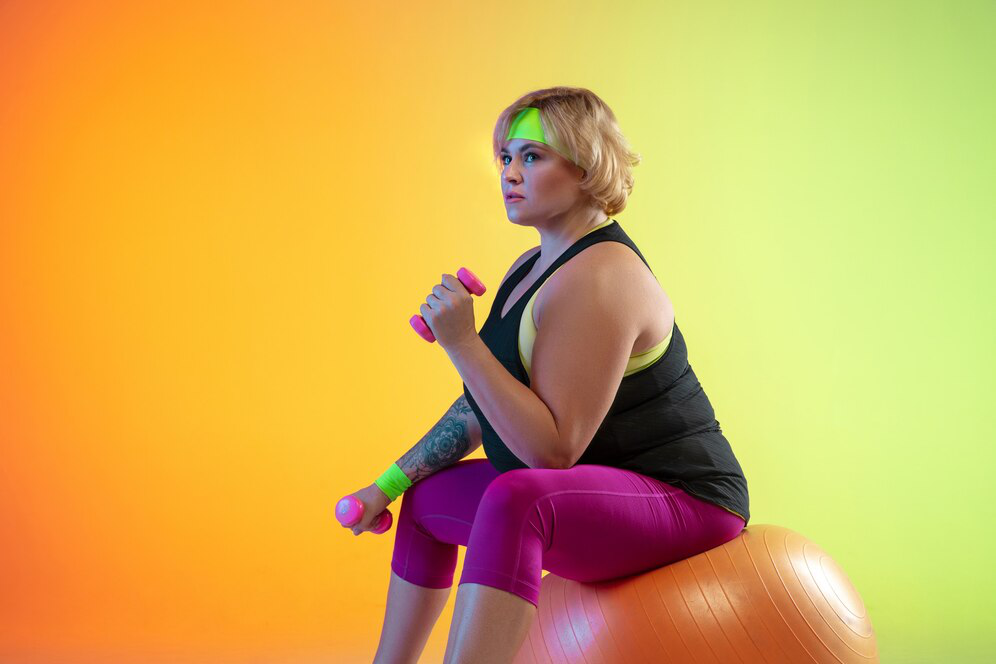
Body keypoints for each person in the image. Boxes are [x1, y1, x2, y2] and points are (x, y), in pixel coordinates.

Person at [343, 86, 751, 664]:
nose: (510, 173)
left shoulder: (603, 276)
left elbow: (552, 454)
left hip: (687, 501)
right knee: (429, 501)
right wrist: (384, 487)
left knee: (517, 497)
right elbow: (481, 409)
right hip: (594, 489)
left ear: (586, 167)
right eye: (505, 158)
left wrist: (462, 342)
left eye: (532, 157)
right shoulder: (531, 267)